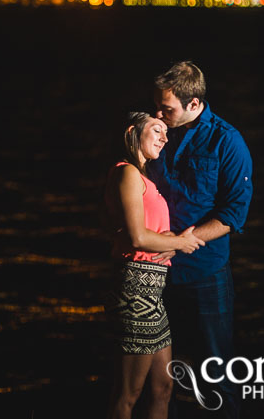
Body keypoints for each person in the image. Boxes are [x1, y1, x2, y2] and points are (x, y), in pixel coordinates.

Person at [146, 61, 253, 419]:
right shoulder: (156, 131)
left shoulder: (227, 141)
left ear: (194, 104)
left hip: (205, 275)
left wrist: (182, 241)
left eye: (167, 108)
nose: (159, 113)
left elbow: (234, 212)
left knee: (215, 374)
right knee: (160, 379)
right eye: (157, 105)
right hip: (157, 273)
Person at [104, 111, 205, 419]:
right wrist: (179, 243)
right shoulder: (127, 173)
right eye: (156, 130)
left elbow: (151, 234)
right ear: (133, 132)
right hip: (135, 292)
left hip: (153, 294)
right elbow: (136, 237)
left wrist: (170, 243)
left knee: (163, 387)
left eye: (165, 131)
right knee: (128, 394)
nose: (165, 137)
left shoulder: (143, 178)